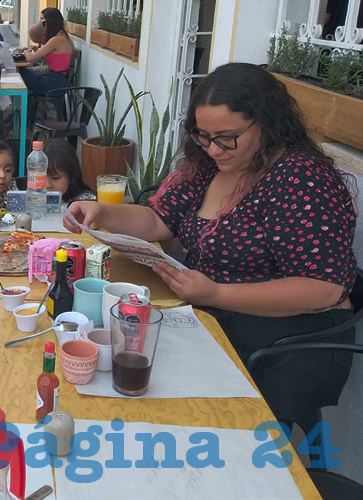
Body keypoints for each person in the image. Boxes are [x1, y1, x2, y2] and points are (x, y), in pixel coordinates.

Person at [63, 63, 358, 433]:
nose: (214, 148)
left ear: (266, 122)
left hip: (287, 337)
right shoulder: (209, 165)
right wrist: (102, 210)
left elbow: (322, 287)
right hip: (211, 313)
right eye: (203, 136)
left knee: (176, 401)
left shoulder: (301, 180)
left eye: (227, 137)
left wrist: (216, 292)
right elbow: (158, 221)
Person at [19, 8, 73, 99]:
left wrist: (24, 49)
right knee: (24, 73)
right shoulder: (62, 36)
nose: (42, 26)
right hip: (56, 80)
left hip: (54, 82)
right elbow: (54, 58)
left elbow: (31, 59)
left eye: (44, 23)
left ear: (51, 23)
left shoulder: (56, 40)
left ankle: (20, 108)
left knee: (20, 71)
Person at [43, 138, 92, 203]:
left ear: (72, 177)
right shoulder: (31, 196)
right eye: (41, 178)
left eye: (55, 178)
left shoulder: (85, 202)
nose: (48, 185)